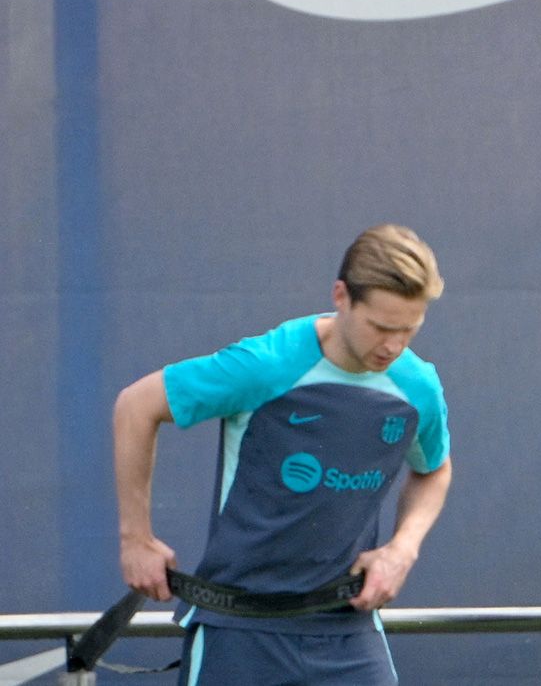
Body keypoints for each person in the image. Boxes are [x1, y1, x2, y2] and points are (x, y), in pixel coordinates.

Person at [113, 224, 452, 684]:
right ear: (341, 296)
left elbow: (433, 470)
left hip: (346, 630)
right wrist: (137, 539)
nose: (392, 346)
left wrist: (402, 548)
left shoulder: (417, 387)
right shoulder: (267, 365)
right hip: (239, 630)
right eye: (380, 327)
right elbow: (136, 406)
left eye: (408, 330)